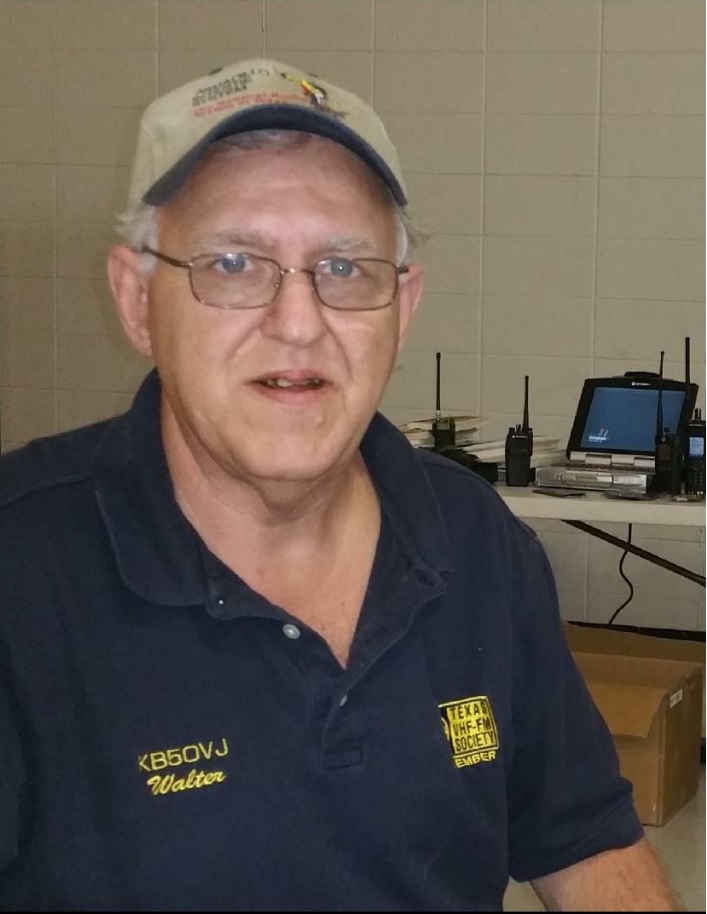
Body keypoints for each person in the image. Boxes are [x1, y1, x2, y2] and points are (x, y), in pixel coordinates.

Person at [0, 57, 684, 912]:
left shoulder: (472, 537)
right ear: (137, 301)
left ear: (403, 308)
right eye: (233, 263)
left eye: (344, 268)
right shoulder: (22, 569)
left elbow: (585, 840)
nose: (298, 323)